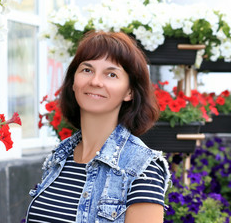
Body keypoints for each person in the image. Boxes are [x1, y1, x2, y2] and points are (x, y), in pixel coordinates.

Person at [25, 31, 171, 223]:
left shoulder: (141, 167)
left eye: (111, 74)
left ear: (129, 92)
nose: (95, 81)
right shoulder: (60, 157)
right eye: (87, 70)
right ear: (73, 82)